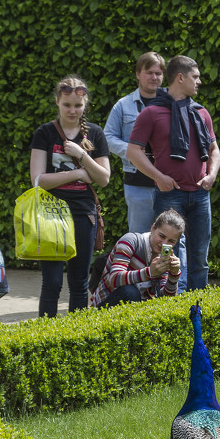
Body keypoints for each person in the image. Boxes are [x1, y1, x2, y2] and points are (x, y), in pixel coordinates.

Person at [127, 55, 220, 293]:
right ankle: (172, 305)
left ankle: (198, 307)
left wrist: (211, 175)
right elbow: (133, 151)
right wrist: (158, 177)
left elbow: (213, 150)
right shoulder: (152, 113)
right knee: (168, 255)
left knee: (200, 256)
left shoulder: (201, 112)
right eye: (195, 77)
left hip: (200, 195)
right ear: (181, 77)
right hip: (169, 196)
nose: (199, 81)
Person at [30, 76, 112, 317]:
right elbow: (38, 181)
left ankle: (76, 339)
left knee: (79, 284)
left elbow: (104, 178)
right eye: (67, 105)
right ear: (57, 102)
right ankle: (44, 338)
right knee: (52, 283)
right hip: (49, 215)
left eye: (78, 105)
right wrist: (79, 173)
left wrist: (81, 155)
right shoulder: (44, 133)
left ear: (85, 105)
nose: (72, 110)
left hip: (83, 215)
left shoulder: (95, 133)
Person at [105, 52, 166, 233]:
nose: (154, 77)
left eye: (159, 73)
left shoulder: (173, 104)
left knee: (173, 241)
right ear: (138, 74)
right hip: (137, 183)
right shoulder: (123, 105)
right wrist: (133, 152)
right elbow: (108, 136)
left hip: (169, 182)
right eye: (149, 72)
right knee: (139, 239)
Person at [90, 209, 184, 308]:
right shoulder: (131, 240)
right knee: (130, 292)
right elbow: (114, 278)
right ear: (152, 228)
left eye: (171, 241)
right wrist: (149, 273)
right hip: (107, 302)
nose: (164, 243)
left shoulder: (165, 256)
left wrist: (174, 275)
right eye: (161, 236)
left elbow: (165, 299)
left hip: (138, 307)